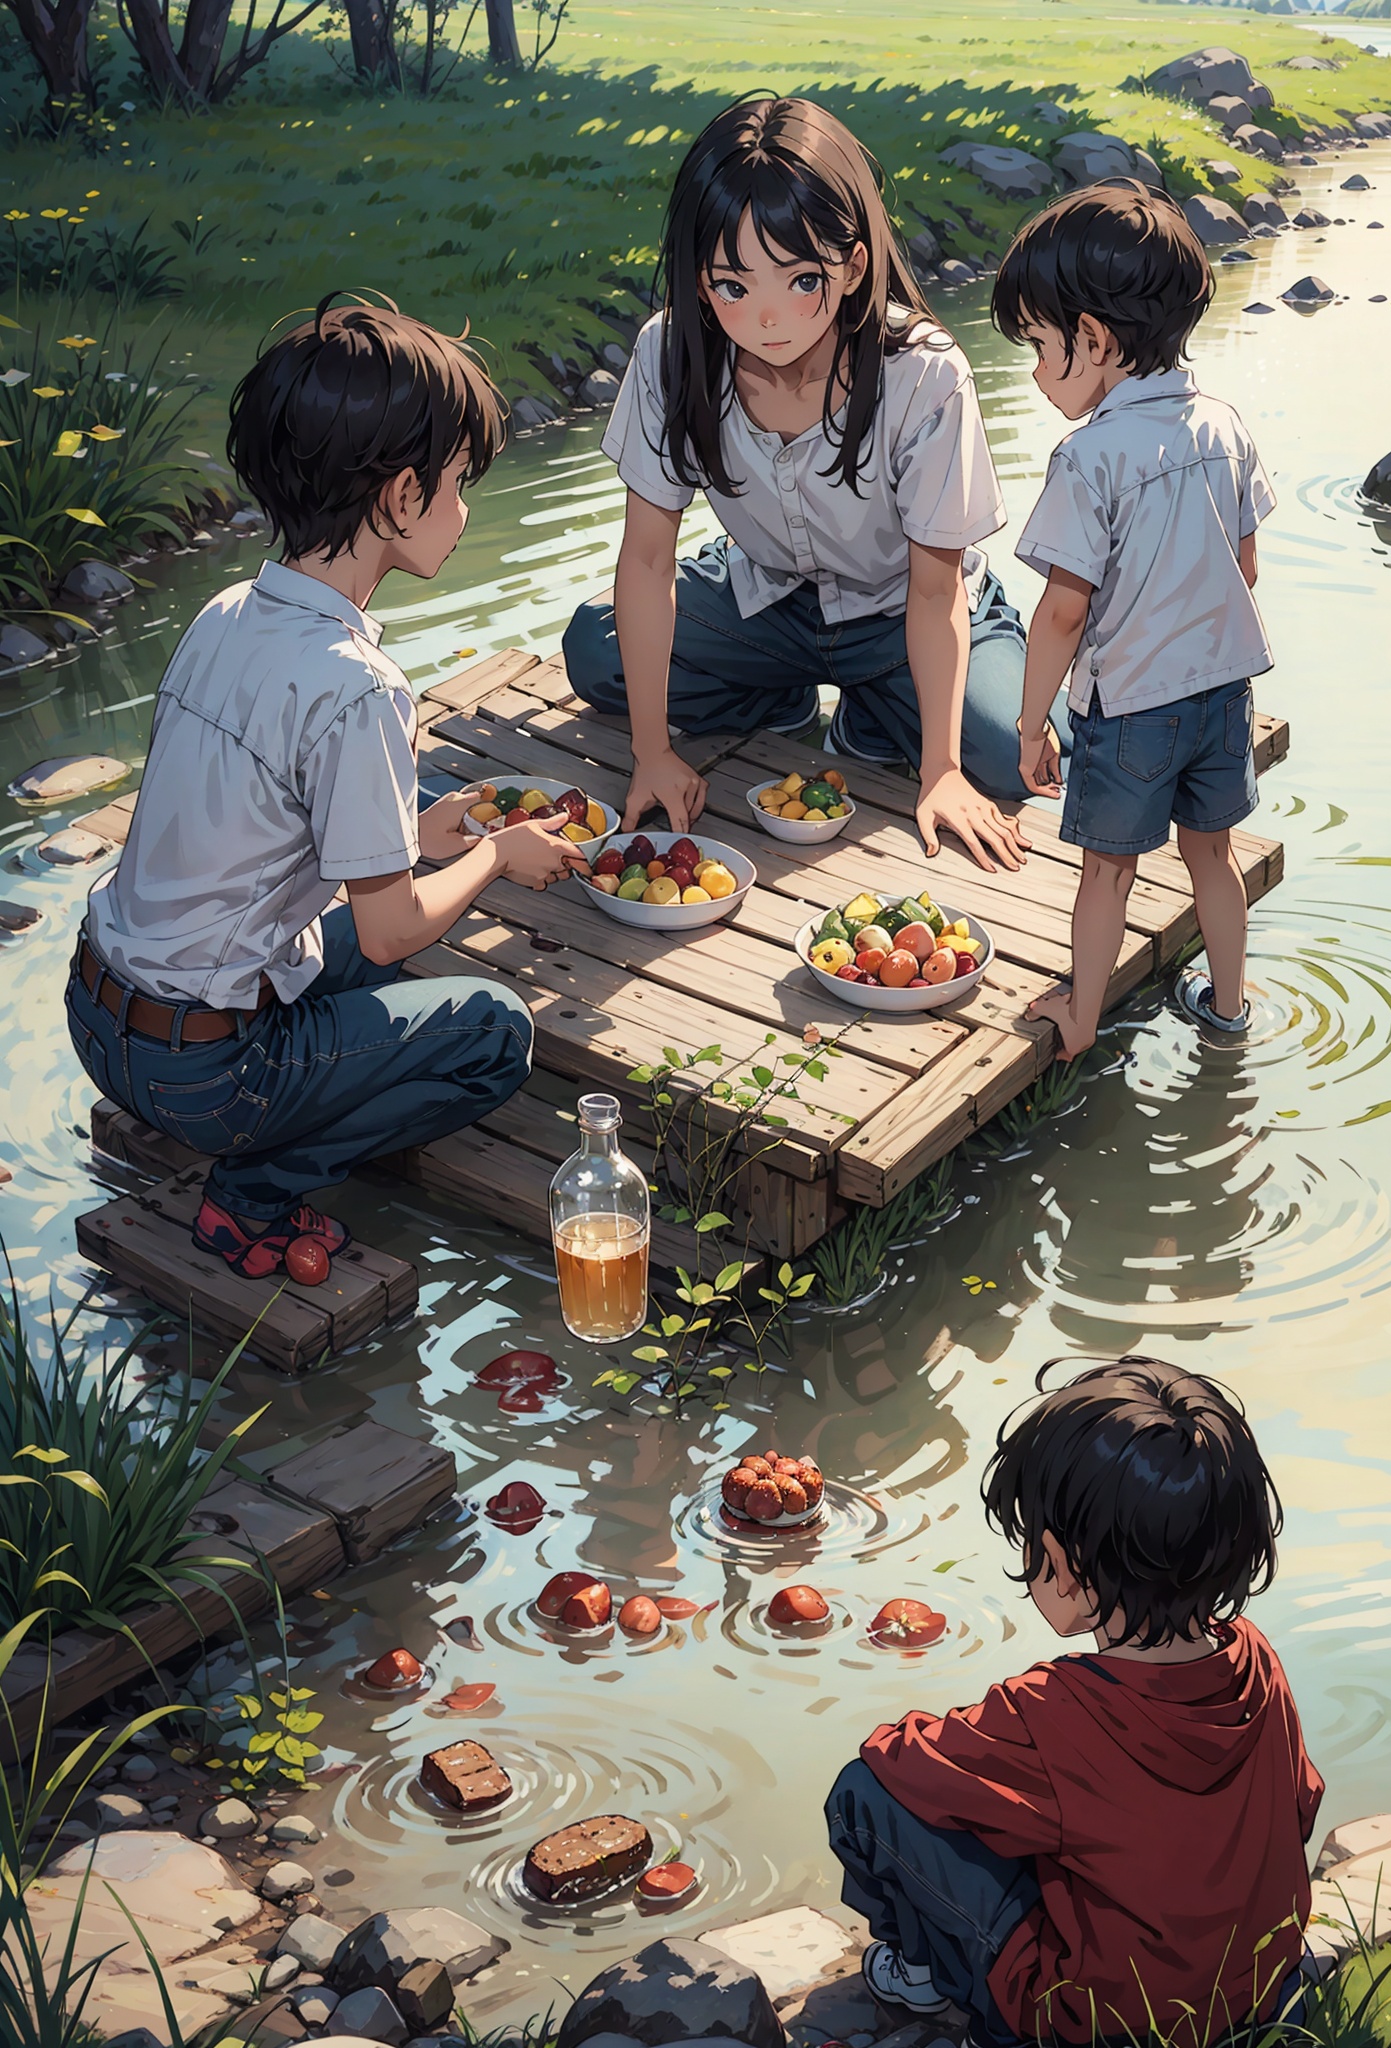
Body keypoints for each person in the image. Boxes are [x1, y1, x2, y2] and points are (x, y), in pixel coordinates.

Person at [65, 295, 587, 1279]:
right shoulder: (360, 686)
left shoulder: (225, 613)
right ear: (397, 499)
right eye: (458, 484)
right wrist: (492, 854)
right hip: (201, 1071)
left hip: (103, 1015)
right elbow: (389, 931)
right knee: (492, 1032)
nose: (465, 510)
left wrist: (410, 832)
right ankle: (252, 1192)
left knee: (369, 952)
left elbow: (239, 822)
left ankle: (235, 1122)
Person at [562, 95, 1032, 874]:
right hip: (764, 600)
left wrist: (942, 771)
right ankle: (782, 695)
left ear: (851, 266)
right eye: (734, 286)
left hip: (899, 605)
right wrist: (652, 752)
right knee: (595, 649)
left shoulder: (923, 373)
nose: (769, 318)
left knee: (1009, 757)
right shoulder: (669, 354)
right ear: (700, 279)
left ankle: (882, 716)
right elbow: (646, 561)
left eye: (800, 278)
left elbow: (933, 588)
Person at [825, 1354, 1322, 2048]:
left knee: (862, 1798)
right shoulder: (1255, 1661)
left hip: (1099, 2022)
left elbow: (893, 1763)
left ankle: (923, 1976)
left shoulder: (1055, 1712)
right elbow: (1301, 1803)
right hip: (1252, 1991)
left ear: (1066, 1565)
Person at [997, 181, 1275, 1050]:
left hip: (1130, 710)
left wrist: (1032, 720)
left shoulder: (1089, 458)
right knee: (1214, 857)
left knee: (1107, 872)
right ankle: (1228, 1010)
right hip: (1223, 694)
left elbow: (1061, 614)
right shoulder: (1224, 426)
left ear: (1096, 340)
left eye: (1042, 347)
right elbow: (1247, 567)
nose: (1038, 372)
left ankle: (1079, 1018)